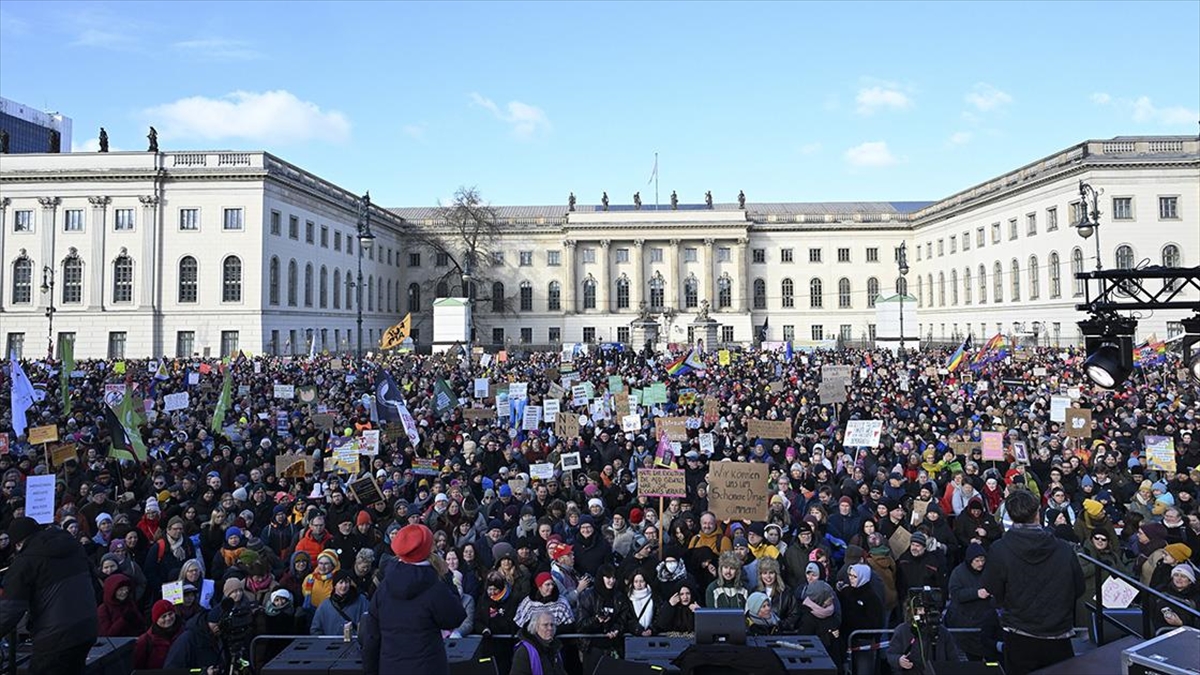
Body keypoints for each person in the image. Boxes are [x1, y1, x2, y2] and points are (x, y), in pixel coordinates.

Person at [982, 489, 1084, 675]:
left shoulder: (1000, 549)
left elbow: (993, 589)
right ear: (1037, 513)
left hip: (1023, 634)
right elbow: (1078, 588)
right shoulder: (1063, 549)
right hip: (1052, 632)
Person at [359, 524, 466, 675]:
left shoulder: (384, 588)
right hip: (427, 668)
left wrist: (370, 670)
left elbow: (372, 637)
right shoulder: (434, 587)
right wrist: (447, 575)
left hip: (391, 668)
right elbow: (455, 617)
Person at [0, 517, 99, 675]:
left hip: (55, 637)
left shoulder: (26, 561)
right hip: (87, 628)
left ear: (18, 543)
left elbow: (9, 610)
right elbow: (95, 583)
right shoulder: (74, 547)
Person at [511, 610, 569, 675]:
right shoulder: (524, 651)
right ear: (535, 627)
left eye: (552, 625)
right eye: (545, 625)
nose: (550, 628)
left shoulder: (555, 648)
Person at [133, 600, 183, 670]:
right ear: (156, 620)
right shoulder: (145, 641)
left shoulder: (184, 633)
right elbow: (138, 667)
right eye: (163, 616)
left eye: (170, 614)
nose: (168, 618)